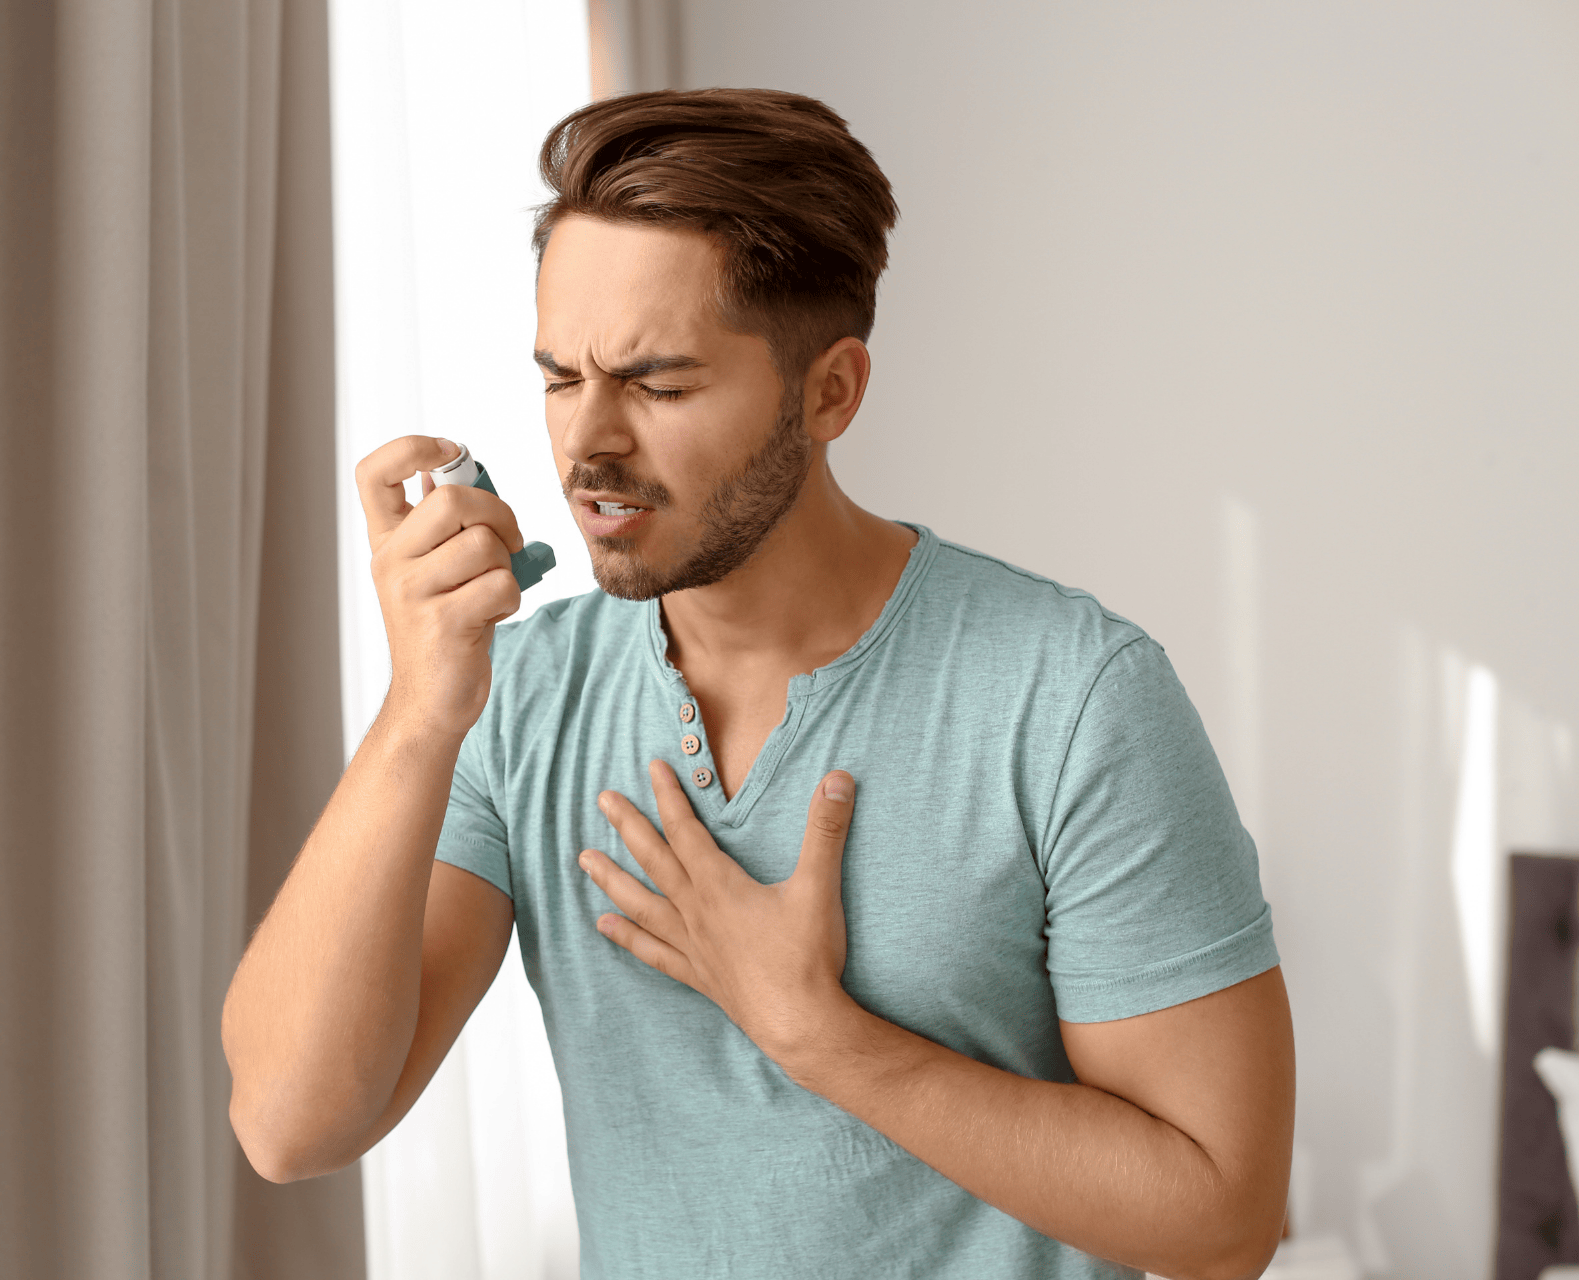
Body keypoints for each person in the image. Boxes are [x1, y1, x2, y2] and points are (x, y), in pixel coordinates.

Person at [222, 88, 1294, 1280]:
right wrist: (421, 710)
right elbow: (289, 1121)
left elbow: (1222, 1216)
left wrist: (822, 1036)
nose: (589, 445)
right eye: (560, 377)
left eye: (659, 383)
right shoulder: (514, 697)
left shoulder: (1075, 698)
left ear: (831, 391)